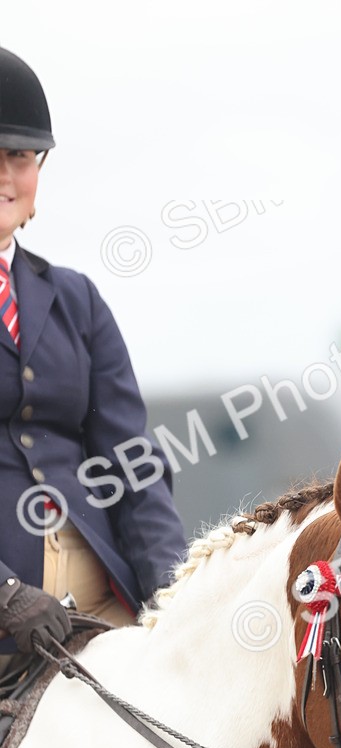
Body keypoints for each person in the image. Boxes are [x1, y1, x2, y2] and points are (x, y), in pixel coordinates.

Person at [0, 48, 186, 666]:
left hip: (97, 596)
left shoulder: (74, 298)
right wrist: (4, 594)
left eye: (20, 157)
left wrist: (172, 590)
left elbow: (130, 456)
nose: (6, 175)